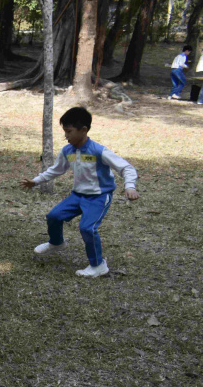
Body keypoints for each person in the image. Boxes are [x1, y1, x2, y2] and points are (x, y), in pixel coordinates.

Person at [20, 107, 139, 278]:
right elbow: (56, 170)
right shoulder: (67, 151)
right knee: (53, 216)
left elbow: (126, 167)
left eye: (69, 131)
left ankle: (98, 265)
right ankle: (56, 243)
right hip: (77, 195)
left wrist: (130, 187)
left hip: (98, 197)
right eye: (64, 131)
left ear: (83, 130)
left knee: (87, 228)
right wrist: (36, 181)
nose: (66, 136)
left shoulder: (98, 151)